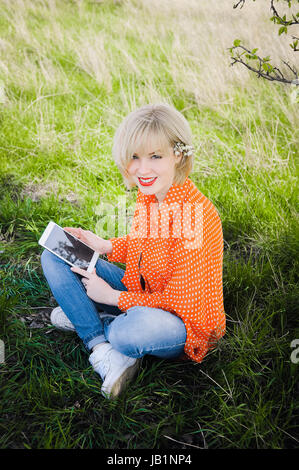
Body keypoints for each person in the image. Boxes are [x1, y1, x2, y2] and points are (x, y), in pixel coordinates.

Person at [41, 103, 226, 400]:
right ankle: (103, 349)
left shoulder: (195, 217)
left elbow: (178, 302)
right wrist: (105, 246)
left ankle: (93, 321)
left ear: (178, 155)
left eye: (155, 156)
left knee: (127, 333)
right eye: (135, 157)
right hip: (142, 291)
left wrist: (112, 297)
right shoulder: (151, 193)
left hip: (181, 323)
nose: (142, 169)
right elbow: (145, 245)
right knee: (57, 251)